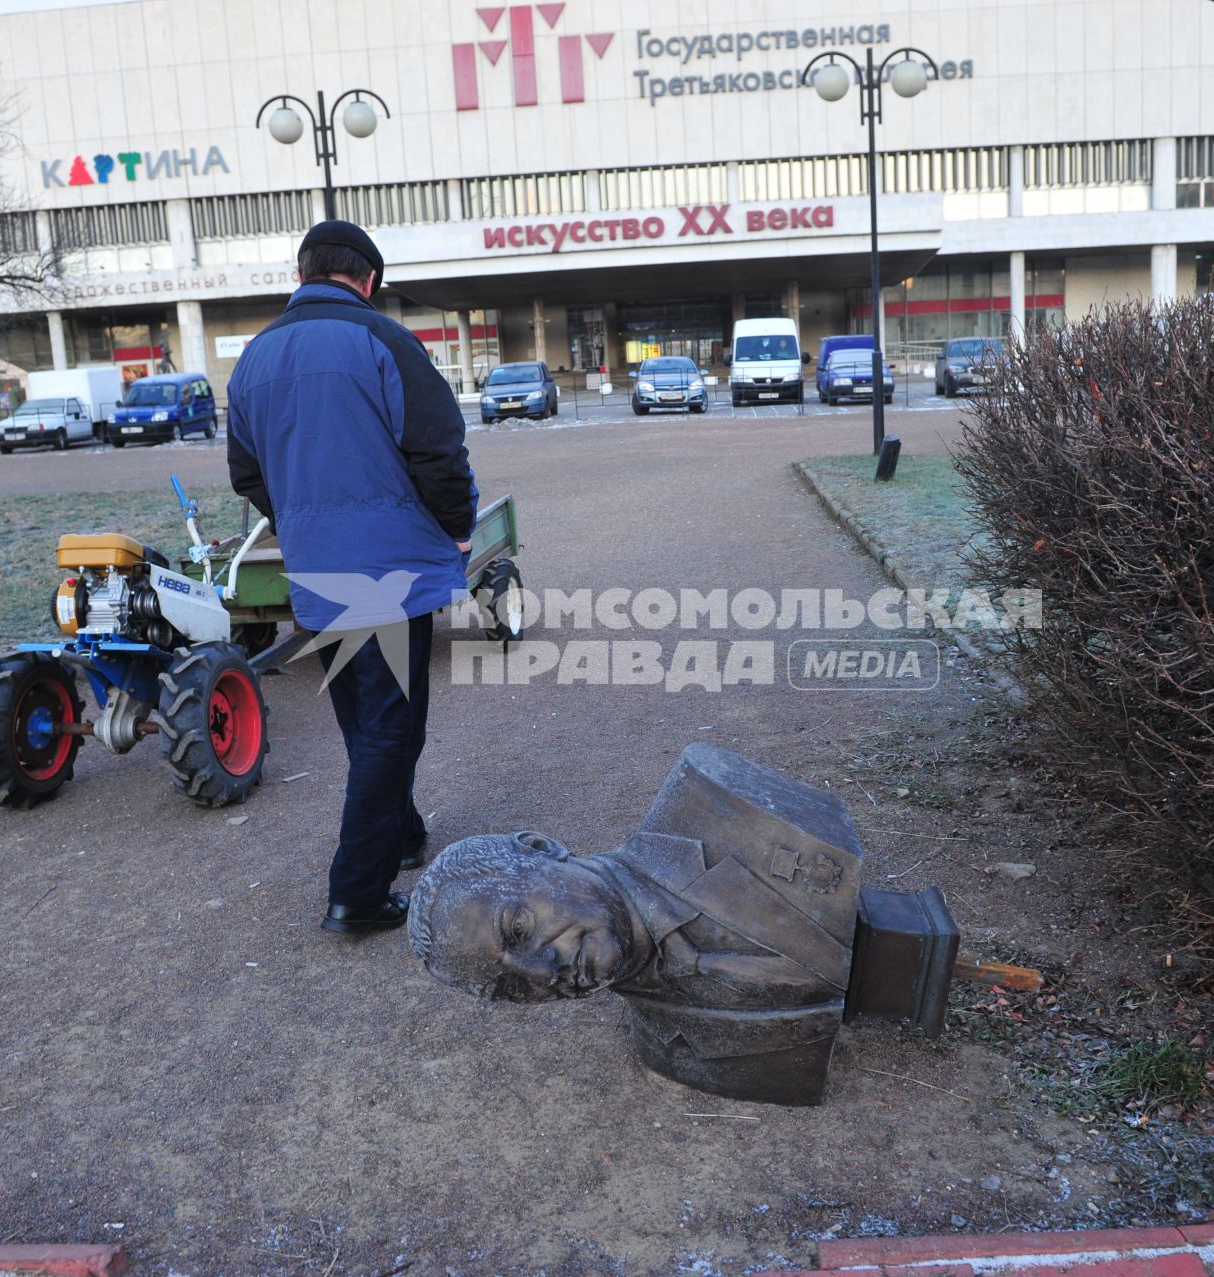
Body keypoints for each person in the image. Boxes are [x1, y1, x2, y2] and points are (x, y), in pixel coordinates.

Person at [227, 220, 477, 938]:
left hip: (318, 570)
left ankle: (400, 835)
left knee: (365, 722)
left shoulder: (254, 359)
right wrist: (457, 523)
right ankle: (356, 893)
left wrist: (299, 519)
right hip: (390, 569)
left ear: (303, 273)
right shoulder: (387, 342)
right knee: (393, 728)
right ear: (367, 279)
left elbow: (247, 472)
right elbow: (437, 446)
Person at [407, 744, 863, 1105]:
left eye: (520, 929)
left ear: (541, 847)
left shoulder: (711, 801)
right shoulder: (675, 1047)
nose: (543, 973)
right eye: (511, 988)